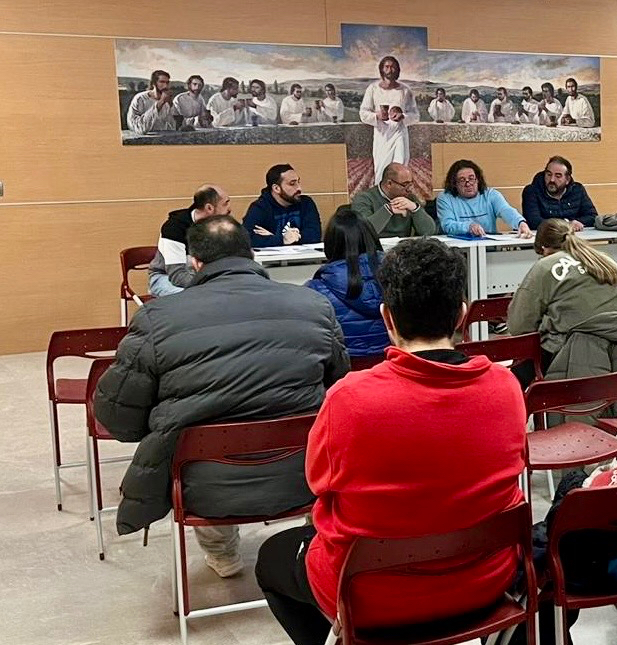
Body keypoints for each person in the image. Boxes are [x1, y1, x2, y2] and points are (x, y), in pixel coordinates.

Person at [256, 237, 527, 644]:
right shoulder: (506, 387)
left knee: (270, 560)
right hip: (485, 582)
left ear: (388, 318)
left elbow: (318, 485)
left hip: (370, 598)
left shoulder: (349, 399)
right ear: (462, 315)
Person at [95, 215, 349, 578]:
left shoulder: (158, 317)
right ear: (251, 255)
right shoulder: (312, 306)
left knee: (195, 435)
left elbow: (116, 415)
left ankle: (223, 555)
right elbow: (339, 388)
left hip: (207, 486)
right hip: (304, 476)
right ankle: (311, 543)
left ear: (194, 263)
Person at [507, 218, 617, 390]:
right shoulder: (605, 259)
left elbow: (519, 325)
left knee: (515, 376)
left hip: (577, 349)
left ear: (544, 248)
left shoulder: (545, 266)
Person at [305, 206, 389, 358]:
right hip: (392, 365)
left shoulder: (315, 290)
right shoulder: (399, 279)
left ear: (330, 243)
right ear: (371, 237)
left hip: (343, 370)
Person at [148, 184, 231, 296]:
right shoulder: (174, 228)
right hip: (166, 278)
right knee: (197, 297)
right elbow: (177, 275)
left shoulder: (221, 226)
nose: (229, 209)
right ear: (209, 208)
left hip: (203, 279)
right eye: (225, 203)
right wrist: (208, 286)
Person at [358, 55, 420, 186]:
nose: (390, 69)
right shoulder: (373, 89)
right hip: (382, 137)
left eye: (393, 67)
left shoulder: (405, 90)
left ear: (397, 70)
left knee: (400, 168)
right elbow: (363, 113)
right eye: (387, 66)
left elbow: (415, 115)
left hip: (399, 134)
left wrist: (403, 116)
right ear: (382, 69)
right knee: (382, 170)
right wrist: (377, 116)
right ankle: (381, 203)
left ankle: (400, 201)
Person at [436, 159, 531, 238]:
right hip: (458, 248)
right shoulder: (445, 198)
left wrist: (520, 222)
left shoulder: (490, 194)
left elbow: (505, 210)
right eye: (462, 180)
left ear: (478, 180)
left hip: (488, 247)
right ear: (454, 184)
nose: (468, 184)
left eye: (471, 178)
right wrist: (469, 226)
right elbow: (447, 224)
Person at [243, 164, 322, 248]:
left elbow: (315, 234)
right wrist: (282, 239)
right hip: (272, 260)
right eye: (292, 184)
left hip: (304, 259)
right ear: (276, 188)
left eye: (298, 182)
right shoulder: (260, 208)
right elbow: (247, 239)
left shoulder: (306, 203)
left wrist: (274, 238)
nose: (299, 188)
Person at [351, 162, 436, 238]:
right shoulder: (364, 198)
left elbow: (429, 231)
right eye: (405, 184)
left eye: (410, 184)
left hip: (403, 248)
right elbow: (364, 232)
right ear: (389, 183)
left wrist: (415, 208)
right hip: (375, 248)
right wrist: (388, 210)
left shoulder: (410, 198)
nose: (409, 189)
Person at [521, 156, 598, 231]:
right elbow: (534, 222)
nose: (552, 180)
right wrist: (567, 224)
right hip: (544, 239)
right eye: (549, 174)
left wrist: (577, 223)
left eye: (558, 176)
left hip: (573, 238)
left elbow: (592, 216)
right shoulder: (532, 191)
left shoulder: (577, 189)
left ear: (567, 179)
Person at [127, 69, 176, 134]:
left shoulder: (168, 99)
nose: (165, 86)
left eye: (167, 82)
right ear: (154, 83)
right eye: (162, 82)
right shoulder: (140, 98)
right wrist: (161, 102)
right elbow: (138, 127)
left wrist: (170, 105)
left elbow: (172, 125)